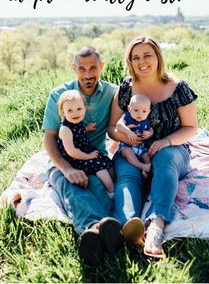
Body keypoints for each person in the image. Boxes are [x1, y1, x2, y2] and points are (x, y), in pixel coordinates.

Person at [108, 35, 198, 258]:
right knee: (127, 175)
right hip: (133, 150)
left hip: (172, 150)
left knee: (164, 160)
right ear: (130, 61)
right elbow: (111, 127)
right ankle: (129, 226)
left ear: (158, 57)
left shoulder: (178, 88)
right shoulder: (127, 88)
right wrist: (125, 137)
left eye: (147, 55)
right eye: (135, 57)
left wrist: (165, 141)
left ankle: (156, 227)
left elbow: (191, 128)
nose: (142, 61)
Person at [43, 46, 123, 266]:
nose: (88, 75)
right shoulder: (60, 95)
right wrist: (66, 168)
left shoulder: (112, 94)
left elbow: (127, 118)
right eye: (82, 69)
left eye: (93, 68)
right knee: (74, 188)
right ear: (74, 69)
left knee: (98, 186)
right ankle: (94, 229)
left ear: (102, 67)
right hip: (63, 161)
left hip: (93, 159)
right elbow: (49, 138)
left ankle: (105, 231)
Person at [57, 89, 114, 198]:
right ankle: (111, 191)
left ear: (85, 109)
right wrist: (88, 156)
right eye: (70, 110)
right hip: (75, 159)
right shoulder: (65, 129)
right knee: (99, 167)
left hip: (85, 151)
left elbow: (78, 130)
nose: (75, 113)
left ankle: (115, 182)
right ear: (63, 112)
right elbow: (72, 152)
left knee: (107, 161)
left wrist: (86, 128)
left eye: (79, 109)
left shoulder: (76, 122)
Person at [116, 93, 153, 179]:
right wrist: (128, 132)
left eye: (144, 111)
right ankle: (142, 166)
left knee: (148, 157)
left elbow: (151, 129)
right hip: (127, 146)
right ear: (129, 109)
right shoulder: (127, 116)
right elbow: (119, 125)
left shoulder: (146, 120)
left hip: (141, 147)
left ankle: (147, 173)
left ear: (149, 112)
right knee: (129, 154)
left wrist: (149, 133)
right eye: (136, 110)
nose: (140, 114)